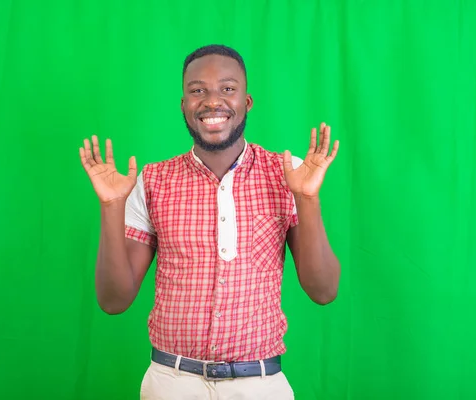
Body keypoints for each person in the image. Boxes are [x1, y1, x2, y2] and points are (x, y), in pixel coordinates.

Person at [79, 44, 340, 400]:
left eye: (227, 89)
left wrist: (306, 198)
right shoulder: (153, 181)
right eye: (197, 90)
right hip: (170, 382)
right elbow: (113, 300)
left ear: (246, 103)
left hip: (261, 384)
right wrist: (111, 206)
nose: (212, 101)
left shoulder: (287, 174)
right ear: (183, 105)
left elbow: (323, 291)